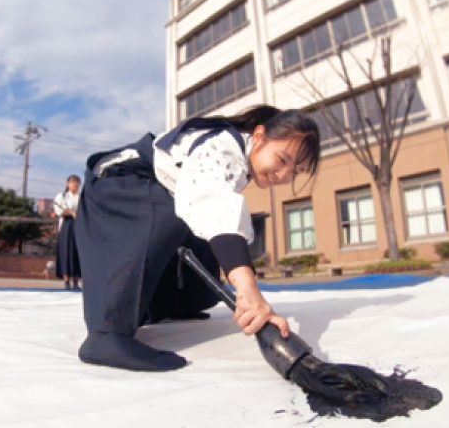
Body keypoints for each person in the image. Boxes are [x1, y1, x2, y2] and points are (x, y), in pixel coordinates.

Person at [75, 105, 320, 372]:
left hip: (161, 187)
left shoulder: (241, 157)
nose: (283, 176)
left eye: (295, 171)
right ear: (259, 135)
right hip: (119, 180)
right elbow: (215, 206)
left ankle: (175, 305)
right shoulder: (222, 148)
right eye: (282, 160)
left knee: (202, 235)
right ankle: (106, 334)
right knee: (169, 215)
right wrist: (249, 292)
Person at [54, 175, 82, 290]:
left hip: (79, 225)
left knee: (77, 252)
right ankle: (66, 280)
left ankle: (76, 280)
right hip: (67, 225)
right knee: (66, 251)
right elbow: (59, 210)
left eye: (77, 182)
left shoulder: (81, 197)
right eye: (72, 182)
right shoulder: (62, 196)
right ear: (67, 183)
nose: (74, 184)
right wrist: (71, 212)